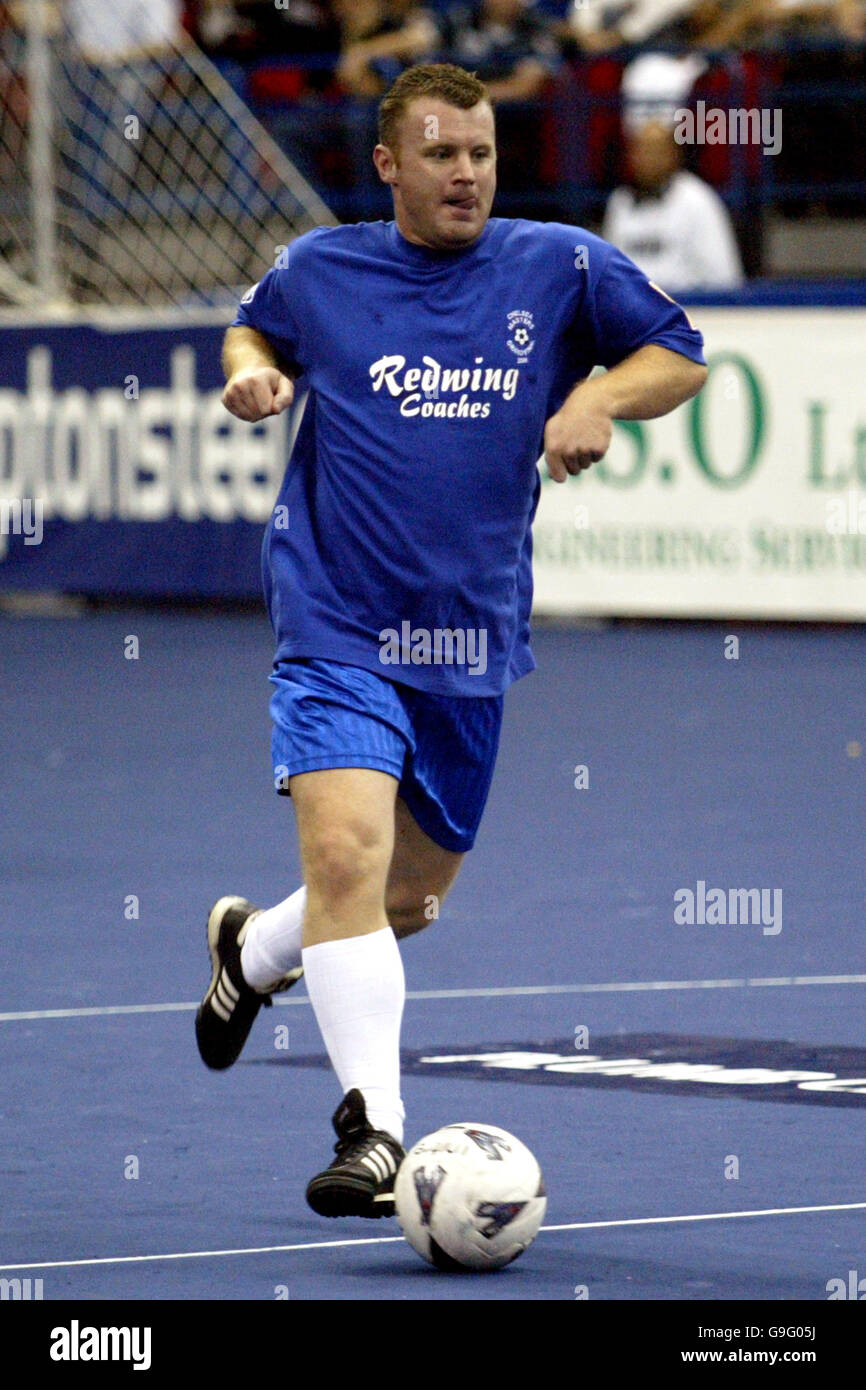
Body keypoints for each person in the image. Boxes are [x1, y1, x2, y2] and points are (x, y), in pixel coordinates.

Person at [195, 62, 707, 1221]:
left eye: (478, 153)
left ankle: (253, 950)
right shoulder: (323, 267)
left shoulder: (559, 263)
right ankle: (372, 1130)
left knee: (404, 899)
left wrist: (595, 401)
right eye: (439, 155)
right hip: (333, 614)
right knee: (344, 858)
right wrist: (256, 376)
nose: (465, 173)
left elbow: (677, 352)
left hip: (467, 638)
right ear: (388, 165)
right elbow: (248, 327)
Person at [602, 119, 744, 291]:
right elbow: (608, 273)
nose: (648, 159)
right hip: (630, 312)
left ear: (673, 154)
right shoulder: (619, 202)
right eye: (641, 151)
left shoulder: (697, 200)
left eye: (655, 151)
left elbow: (724, 277)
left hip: (688, 311)